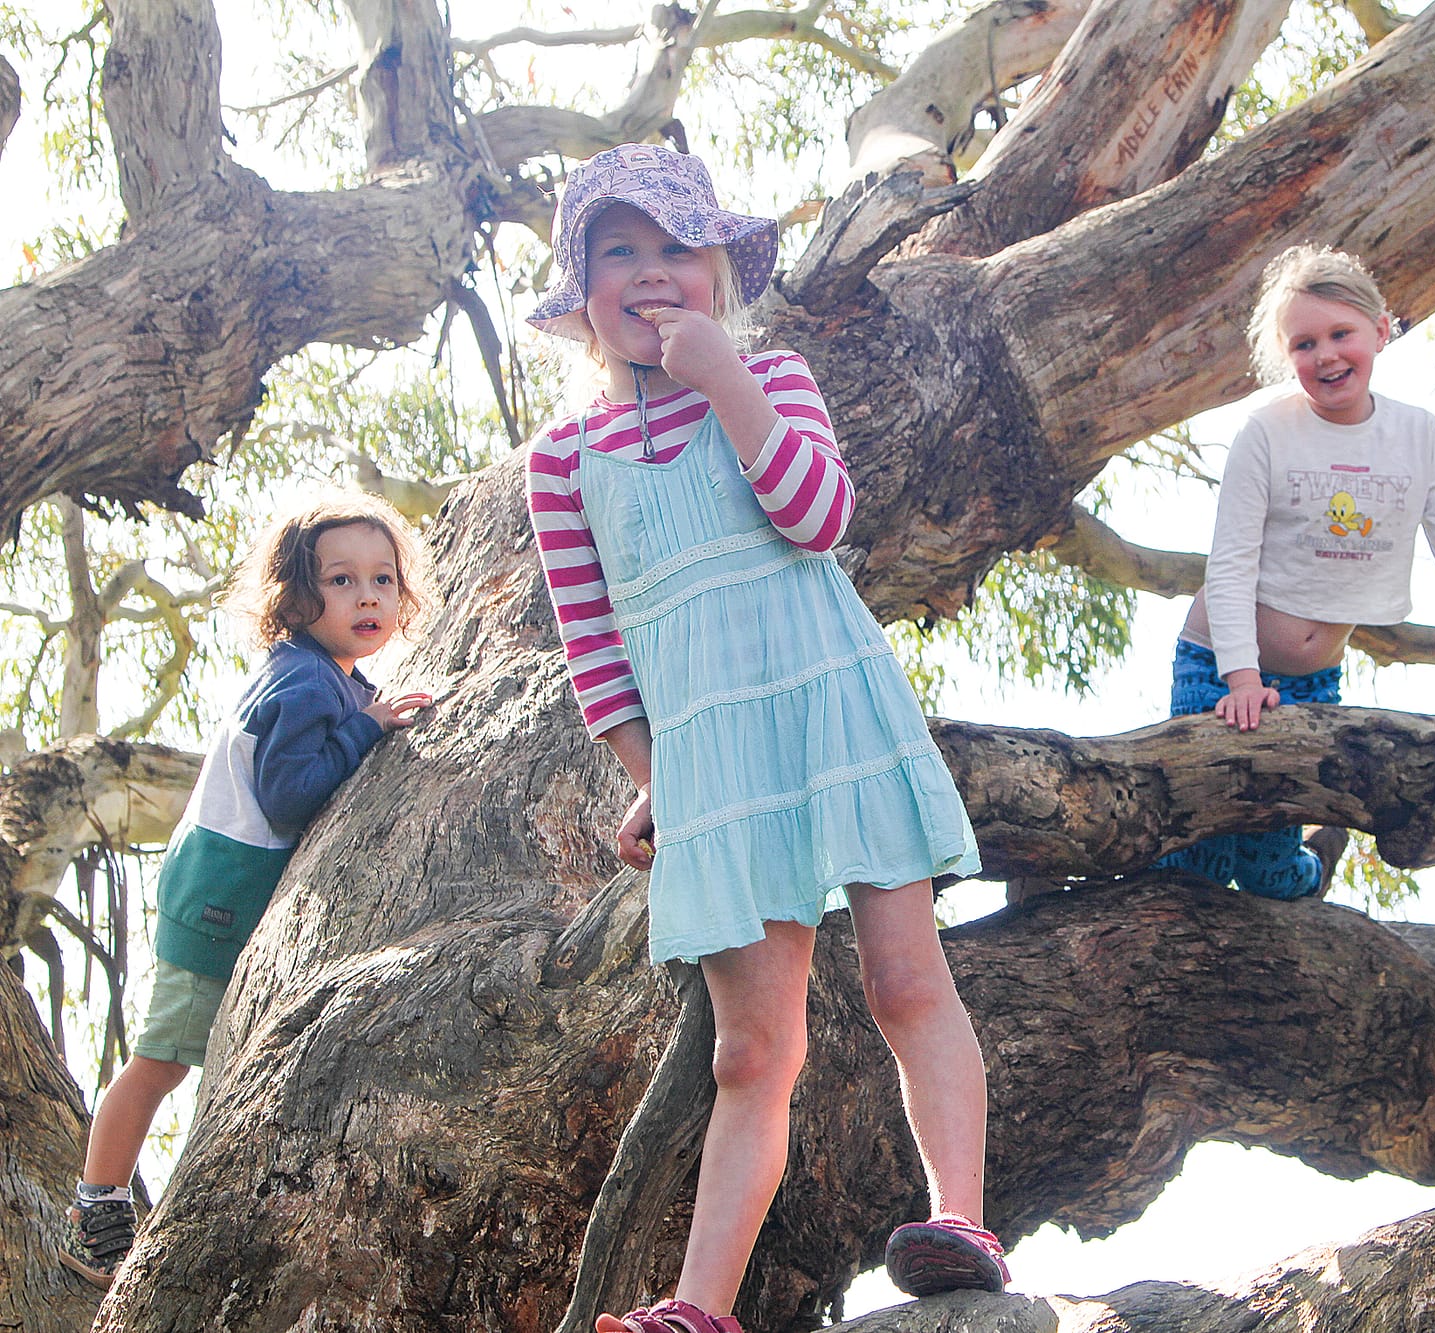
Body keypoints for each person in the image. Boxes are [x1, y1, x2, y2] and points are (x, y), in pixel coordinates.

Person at [523, 142, 1004, 1333]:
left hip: (831, 705)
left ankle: (962, 1219)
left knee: (903, 976)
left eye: (676, 249)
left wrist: (724, 380)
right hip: (714, 763)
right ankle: (701, 1305)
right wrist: (659, 779)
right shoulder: (560, 463)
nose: (649, 275)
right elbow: (596, 657)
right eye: (616, 254)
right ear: (580, 294)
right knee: (753, 1048)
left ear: (722, 271)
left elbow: (817, 514)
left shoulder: (775, 375)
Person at [57, 493, 432, 1289]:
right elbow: (291, 792)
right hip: (219, 899)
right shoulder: (303, 684)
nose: (368, 596)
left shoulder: (327, 676)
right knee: (162, 1058)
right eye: (340, 579)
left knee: (214, 1058)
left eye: (383, 578)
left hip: (227, 890)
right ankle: (97, 1209)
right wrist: (368, 726)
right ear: (297, 597)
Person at [1161, 245, 1435, 901]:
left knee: (1269, 873)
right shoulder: (1267, 432)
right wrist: (1241, 679)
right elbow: (1230, 562)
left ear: (1381, 330)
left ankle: (1312, 868)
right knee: (1196, 861)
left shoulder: (1415, 437)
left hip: (1313, 683)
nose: (1326, 355)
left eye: (1341, 334)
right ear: (1287, 356)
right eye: (1305, 343)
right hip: (1219, 664)